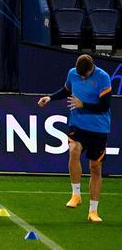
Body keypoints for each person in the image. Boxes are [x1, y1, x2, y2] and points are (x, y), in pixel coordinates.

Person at [38, 53, 114, 223]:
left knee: (95, 167)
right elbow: (66, 90)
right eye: (79, 75)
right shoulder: (72, 73)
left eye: (84, 75)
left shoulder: (103, 78)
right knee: (74, 150)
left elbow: (104, 106)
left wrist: (83, 105)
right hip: (77, 124)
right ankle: (76, 194)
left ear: (91, 69)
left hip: (98, 128)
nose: (80, 77)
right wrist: (50, 98)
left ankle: (93, 211)